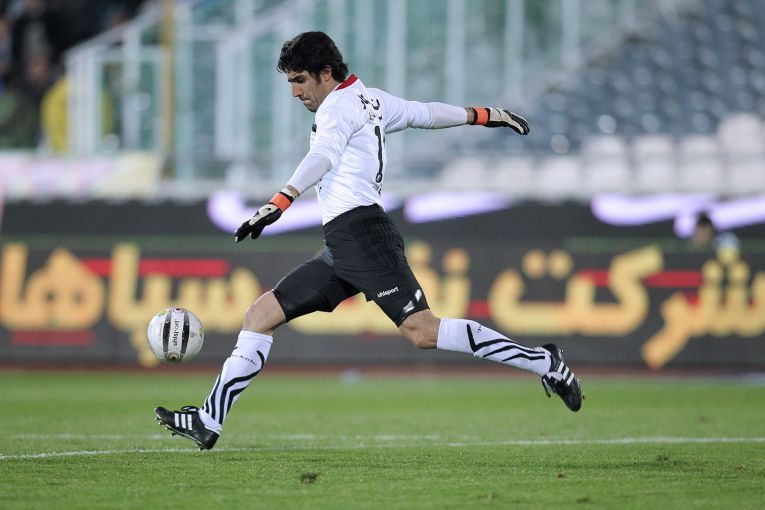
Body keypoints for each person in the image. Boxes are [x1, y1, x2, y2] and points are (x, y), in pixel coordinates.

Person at [155, 31, 582, 450]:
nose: (295, 92)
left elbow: (322, 156)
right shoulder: (369, 99)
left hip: (363, 236)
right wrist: (483, 114)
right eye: (290, 82)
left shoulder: (337, 108)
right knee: (260, 314)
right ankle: (208, 420)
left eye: (300, 80)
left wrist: (280, 201)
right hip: (342, 243)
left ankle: (544, 362)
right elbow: (425, 113)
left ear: (325, 73)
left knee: (423, 331)